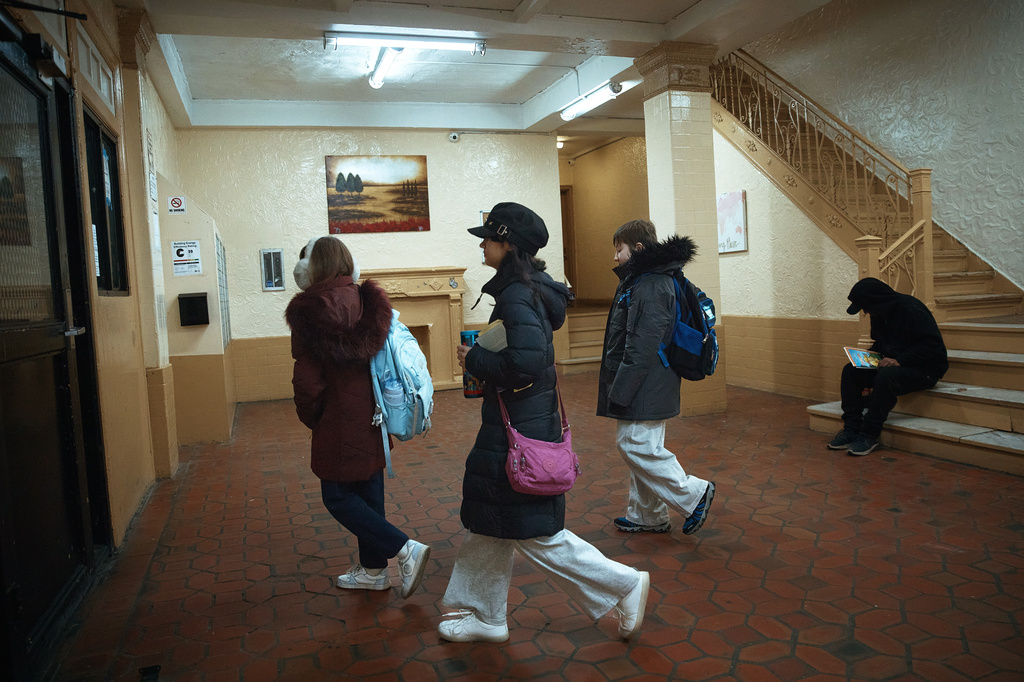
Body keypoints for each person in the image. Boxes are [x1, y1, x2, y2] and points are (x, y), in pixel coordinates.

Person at [438, 202, 650, 643]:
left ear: (507, 244)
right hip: (520, 423)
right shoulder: (520, 290)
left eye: (487, 238)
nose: (481, 244)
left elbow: (528, 363)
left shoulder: (517, 294)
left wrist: (475, 358)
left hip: (521, 429)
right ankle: (487, 615)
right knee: (488, 520)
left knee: (537, 534)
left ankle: (624, 583)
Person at [285, 236, 430, 598]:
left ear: (312, 269)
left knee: (336, 495)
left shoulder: (309, 309)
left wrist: (311, 416)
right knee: (369, 489)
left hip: (336, 416)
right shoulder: (369, 301)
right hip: (375, 411)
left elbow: (307, 379)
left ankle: (402, 548)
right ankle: (373, 570)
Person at [597, 219, 715, 535]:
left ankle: (693, 494)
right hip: (649, 378)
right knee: (644, 446)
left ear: (637, 249)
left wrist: (620, 391)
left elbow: (641, 345)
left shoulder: (650, 285)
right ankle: (647, 514)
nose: (615, 257)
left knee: (635, 445)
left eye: (618, 249)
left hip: (647, 381)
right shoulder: (644, 279)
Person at [828, 277, 948, 456]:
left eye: (866, 307)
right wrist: (869, 357)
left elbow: (932, 346)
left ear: (876, 300)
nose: (866, 312)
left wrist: (901, 360)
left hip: (924, 369)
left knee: (886, 376)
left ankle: (869, 434)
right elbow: (882, 344)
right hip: (893, 364)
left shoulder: (911, 308)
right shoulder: (879, 314)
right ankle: (851, 428)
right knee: (851, 370)